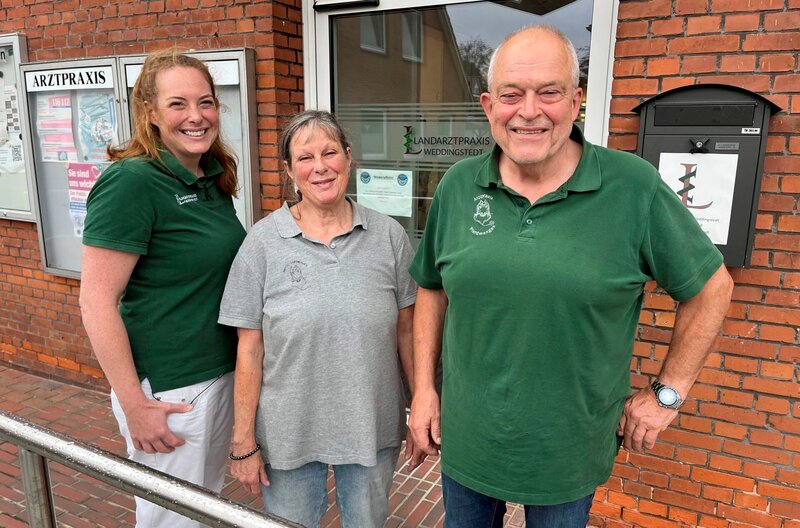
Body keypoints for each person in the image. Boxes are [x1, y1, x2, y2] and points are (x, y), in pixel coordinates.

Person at [408, 25, 734, 528]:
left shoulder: (632, 187)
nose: (529, 111)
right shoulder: (457, 186)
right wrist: (425, 391)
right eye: (512, 95)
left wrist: (668, 393)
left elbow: (712, 287)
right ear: (489, 106)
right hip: (467, 442)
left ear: (577, 101)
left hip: (568, 452)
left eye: (549, 93)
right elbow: (431, 287)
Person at [218, 110, 421, 528]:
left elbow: (407, 332)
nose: (320, 167)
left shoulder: (388, 237)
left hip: (371, 425)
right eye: (305, 158)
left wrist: (420, 404)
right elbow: (249, 349)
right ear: (290, 170)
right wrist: (242, 440)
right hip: (288, 431)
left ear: (349, 158)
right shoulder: (262, 243)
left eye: (330, 152)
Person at [79, 50, 245, 528]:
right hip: (170, 392)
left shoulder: (209, 175)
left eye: (206, 102)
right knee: (171, 520)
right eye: (178, 104)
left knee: (202, 508)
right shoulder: (131, 181)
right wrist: (135, 406)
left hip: (217, 374)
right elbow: (96, 302)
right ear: (150, 112)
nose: (196, 116)